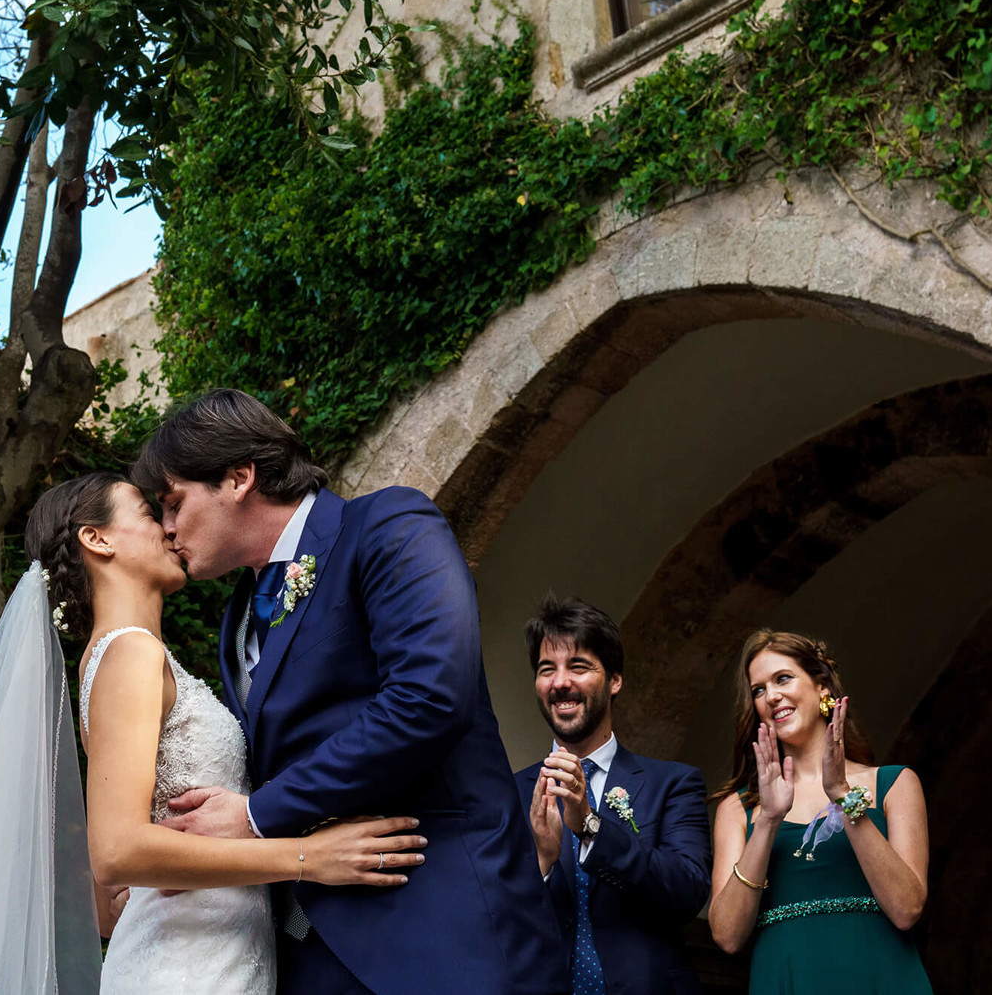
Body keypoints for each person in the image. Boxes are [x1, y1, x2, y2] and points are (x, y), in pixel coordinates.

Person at [136, 389, 568, 995]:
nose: (167, 527)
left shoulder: (389, 525)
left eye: (174, 501)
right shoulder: (235, 617)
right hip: (304, 953)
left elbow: (428, 698)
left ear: (238, 477)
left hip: (444, 934)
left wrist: (257, 817)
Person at [30, 471, 428, 995]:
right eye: (151, 515)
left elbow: (109, 903)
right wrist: (312, 859)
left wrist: (146, 873)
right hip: (188, 968)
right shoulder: (128, 653)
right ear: (96, 539)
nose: (170, 529)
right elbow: (115, 852)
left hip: (213, 952)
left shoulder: (110, 659)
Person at [707, 630, 931, 994]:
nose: (771, 696)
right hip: (787, 978)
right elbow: (727, 936)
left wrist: (843, 797)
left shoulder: (895, 784)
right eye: (759, 690)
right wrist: (766, 821)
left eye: (782, 678)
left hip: (880, 974)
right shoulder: (738, 808)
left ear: (822, 687)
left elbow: (907, 910)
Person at [516, 595, 709, 995]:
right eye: (546, 669)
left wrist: (590, 826)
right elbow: (491, 920)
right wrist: (541, 863)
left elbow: (687, 891)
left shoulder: (673, 783)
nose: (560, 682)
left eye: (579, 667)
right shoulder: (509, 793)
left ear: (615, 680)